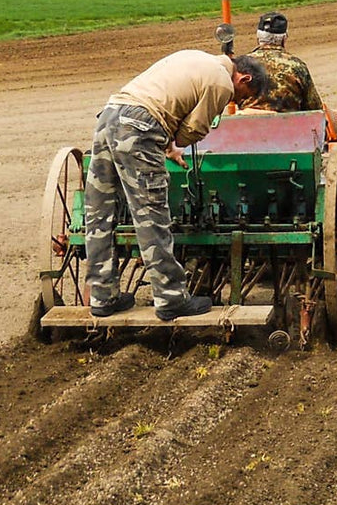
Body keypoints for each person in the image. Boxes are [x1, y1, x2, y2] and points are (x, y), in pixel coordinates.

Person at [84, 49, 269, 320]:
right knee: (151, 215)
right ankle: (171, 298)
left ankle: (102, 296)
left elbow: (163, 104)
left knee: (100, 211)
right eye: (241, 96)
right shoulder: (221, 82)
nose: (235, 100)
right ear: (243, 78)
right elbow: (191, 133)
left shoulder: (194, 57)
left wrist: (167, 144)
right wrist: (175, 142)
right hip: (139, 126)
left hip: (109, 116)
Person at [240, 12, 323, 113]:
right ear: (284, 38)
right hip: (288, 126)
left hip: (248, 125)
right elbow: (314, 108)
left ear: (258, 38)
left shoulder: (242, 65)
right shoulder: (296, 66)